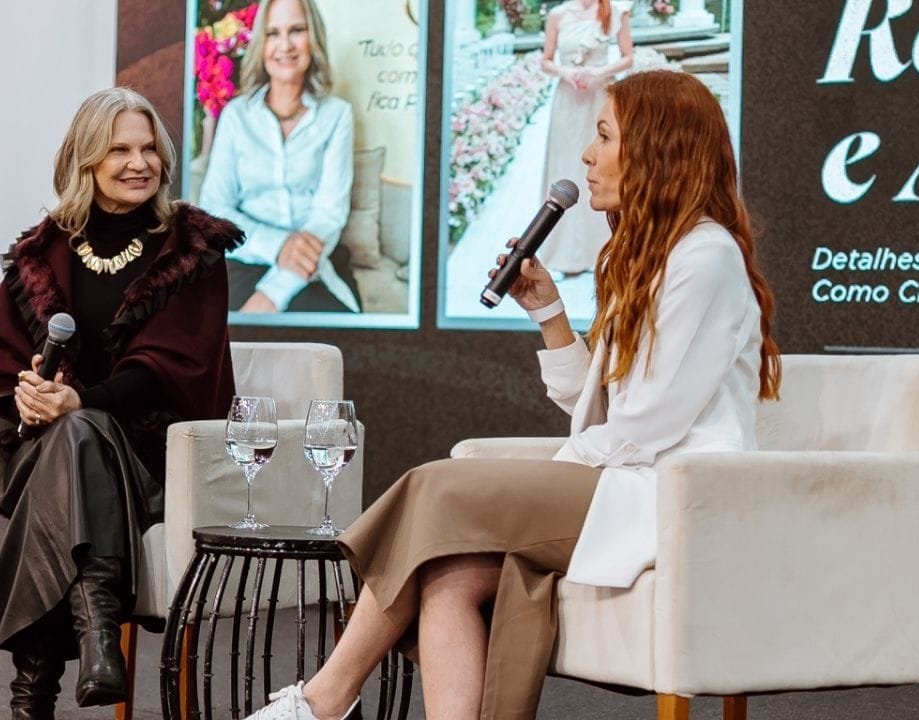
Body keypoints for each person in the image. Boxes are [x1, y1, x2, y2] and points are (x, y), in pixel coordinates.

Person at [245, 70, 782, 720]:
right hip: (627, 476)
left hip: (671, 494)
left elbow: (647, 426)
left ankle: (323, 699)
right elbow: (604, 407)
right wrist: (550, 312)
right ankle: (325, 701)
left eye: (605, 136)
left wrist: (546, 477)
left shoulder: (706, 258)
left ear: (658, 151)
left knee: (436, 487)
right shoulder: (641, 255)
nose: (586, 154)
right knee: (444, 577)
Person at [0, 87, 242, 719]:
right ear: (85, 160)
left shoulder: (191, 249)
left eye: (149, 148)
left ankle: (33, 690)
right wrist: (30, 394)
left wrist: (80, 401)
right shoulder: (45, 252)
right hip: (53, 456)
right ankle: (95, 639)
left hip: (148, 457)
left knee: (82, 430)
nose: (138, 162)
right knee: (69, 436)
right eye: (118, 149)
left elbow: (175, 365)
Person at [199, 0, 362, 314]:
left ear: (313, 38)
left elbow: (329, 214)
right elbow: (213, 209)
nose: (284, 45)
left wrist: (273, 293)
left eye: (297, 30)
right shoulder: (237, 116)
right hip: (243, 259)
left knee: (342, 346)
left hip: (313, 263)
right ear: (261, 44)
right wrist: (277, 246)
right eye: (273, 33)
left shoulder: (337, 115)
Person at [538, 0, 634, 278]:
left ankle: (603, 252)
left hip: (599, 96)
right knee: (565, 169)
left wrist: (598, 73)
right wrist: (566, 73)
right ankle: (561, 255)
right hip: (568, 99)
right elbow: (546, 60)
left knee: (602, 170)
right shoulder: (557, 14)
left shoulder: (614, 11)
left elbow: (628, 56)